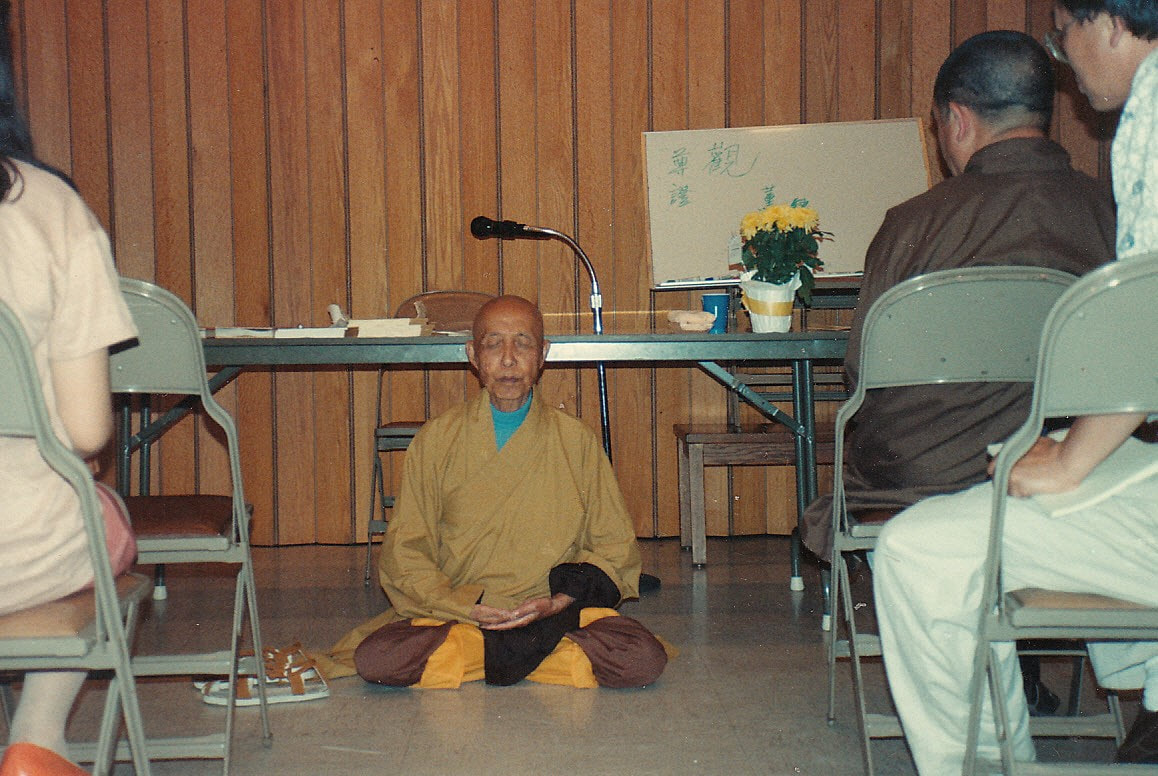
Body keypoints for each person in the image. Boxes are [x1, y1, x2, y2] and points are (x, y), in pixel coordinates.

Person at [874, 3, 1158, 771]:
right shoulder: (1100, 207)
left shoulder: (1152, 115)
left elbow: (1149, 319)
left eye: (1063, 30)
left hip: (934, 468)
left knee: (919, 550)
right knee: (1090, 455)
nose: (1064, 53)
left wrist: (1071, 458)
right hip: (1106, 438)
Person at [800, 29, 1115, 715]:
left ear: (959, 119)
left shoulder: (913, 224)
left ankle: (973, 674)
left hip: (925, 478)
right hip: (1073, 467)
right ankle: (1021, 659)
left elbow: (863, 375)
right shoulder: (1111, 215)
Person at [317, 295, 668, 689]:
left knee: (641, 658)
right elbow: (405, 552)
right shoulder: (438, 439)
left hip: (549, 612)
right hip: (461, 610)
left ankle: (470, 654)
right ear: (473, 355)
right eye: (493, 344)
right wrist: (465, 607)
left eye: (523, 343)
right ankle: (538, 655)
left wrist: (557, 602)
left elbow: (614, 547)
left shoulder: (576, 441)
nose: (508, 359)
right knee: (377, 659)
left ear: (542, 354)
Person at [0, 2, 139, 772]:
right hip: (22, 551)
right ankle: (38, 737)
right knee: (102, 518)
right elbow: (88, 432)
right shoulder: (47, 207)